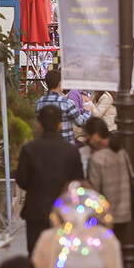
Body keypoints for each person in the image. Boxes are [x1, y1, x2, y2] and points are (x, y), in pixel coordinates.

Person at [17, 105, 84, 253]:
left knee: (36, 253)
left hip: (35, 210)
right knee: (61, 256)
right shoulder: (71, 151)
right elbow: (78, 182)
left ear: (39, 124)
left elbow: (21, 179)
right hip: (62, 211)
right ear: (60, 124)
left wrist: (35, 188)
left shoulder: (29, 149)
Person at [85, 116, 134, 244]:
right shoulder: (121, 152)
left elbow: (94, 189)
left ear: (95, 135)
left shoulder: (96, 158)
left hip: (106, 215)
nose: (88, 140)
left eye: (88, 136)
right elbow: (131, 176)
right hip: (124, 211)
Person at [35, 69, 90, 145]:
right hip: (65, 146)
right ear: (60, 83)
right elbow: (80, 122)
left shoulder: (39, 103)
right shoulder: (67, 103)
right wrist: (88, 111)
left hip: (45, 146)